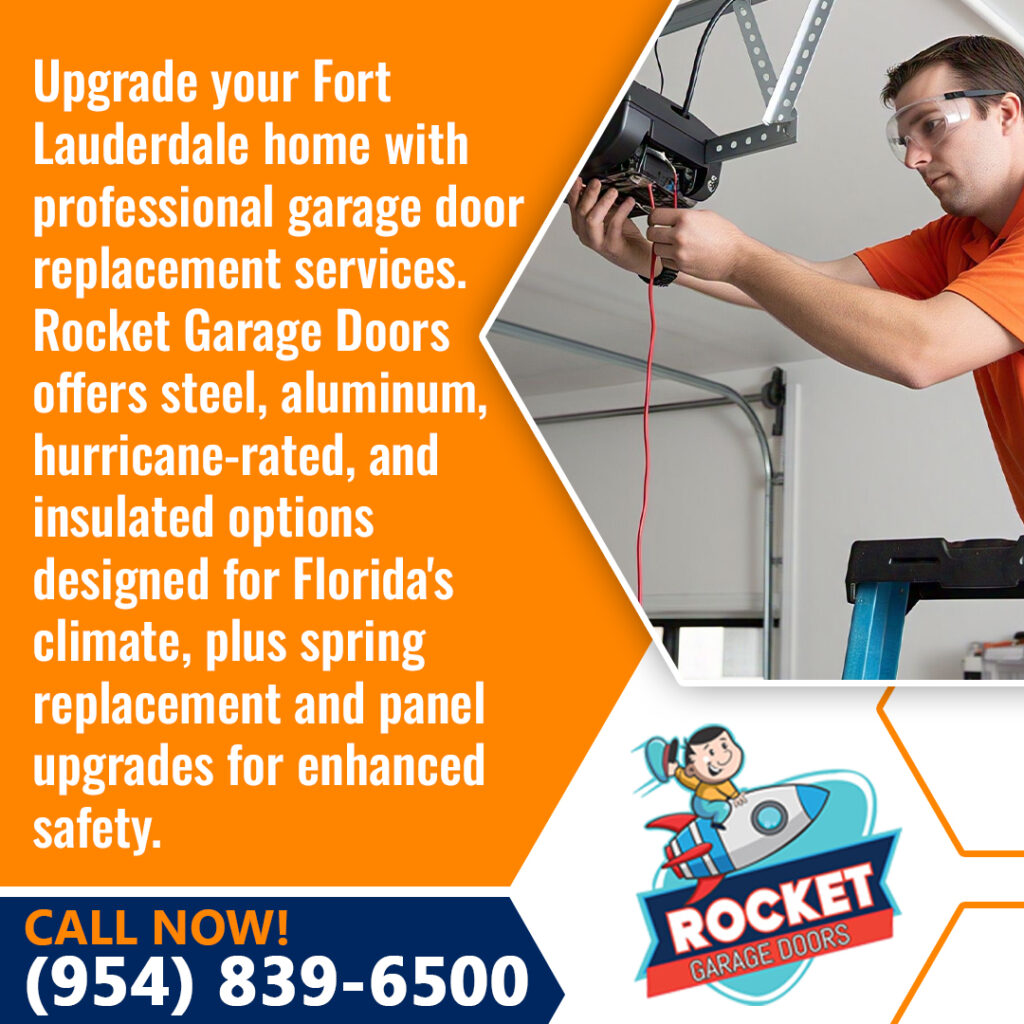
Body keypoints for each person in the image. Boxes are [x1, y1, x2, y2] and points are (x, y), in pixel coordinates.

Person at [568, 35, 1024, 519]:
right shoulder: (959, 239)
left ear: (1005, 113)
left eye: (932, 126)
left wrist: (740, 257)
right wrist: (647, 259)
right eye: (906, 140)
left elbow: (921, 351)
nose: (914, 159)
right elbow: (814, 283)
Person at [665, 725, 747, 830]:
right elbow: (729, 790)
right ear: (692, 768)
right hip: (705, 804)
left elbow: (689, 780)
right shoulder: (720, 783)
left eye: (725, 745)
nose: (724, 754)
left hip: (702, 802)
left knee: (724, 806)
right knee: (724, 808)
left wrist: (676, 771)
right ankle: (717, 823)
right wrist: (736, 796)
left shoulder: (707, 783)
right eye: (711, 752)